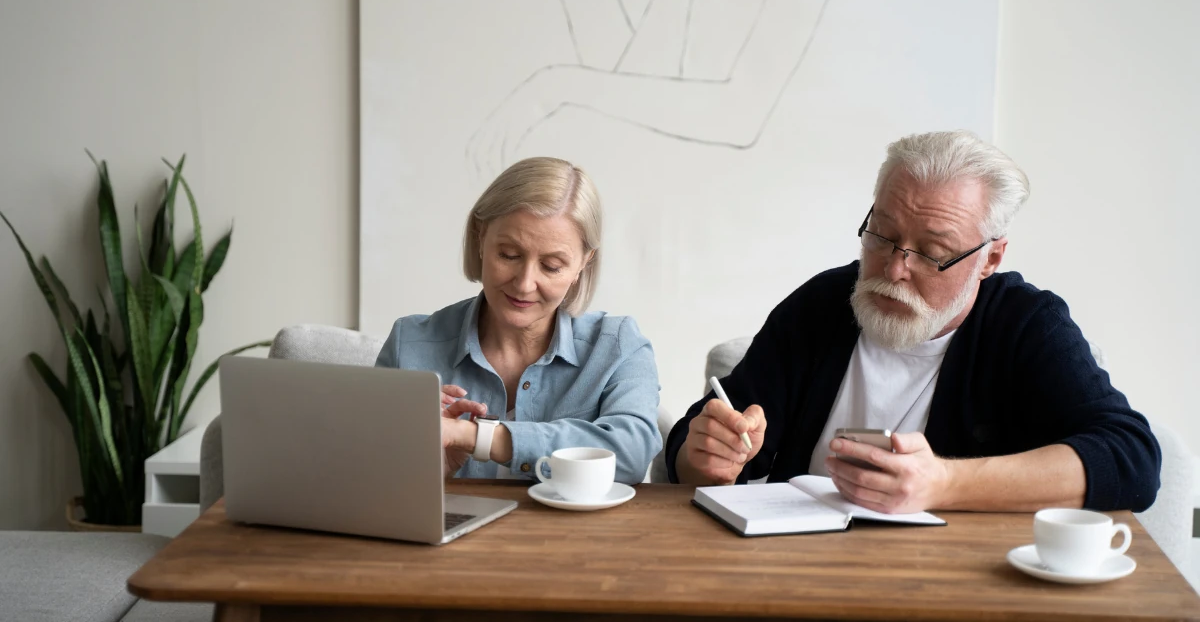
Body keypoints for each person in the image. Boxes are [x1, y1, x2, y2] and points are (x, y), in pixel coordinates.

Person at [666, 131, 1161, 513]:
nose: (894, 269)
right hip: (803, 569)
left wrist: (943, 483)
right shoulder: (823, 305)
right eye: (881, 235)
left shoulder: (1025, 325)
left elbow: (1131, 460)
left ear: (990, 259)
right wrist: (706, 457)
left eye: (933, 252)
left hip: (959, 581)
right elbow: (692, 449)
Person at [376, 157, 661, 484]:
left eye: (551, 266)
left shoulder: (617, 346)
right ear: (480, 237)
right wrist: (425, 472)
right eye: (509, 255)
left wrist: (474, 436)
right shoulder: (409, 345)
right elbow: (364, 473)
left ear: (584, 263)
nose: (524, 284)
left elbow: (631, 455)